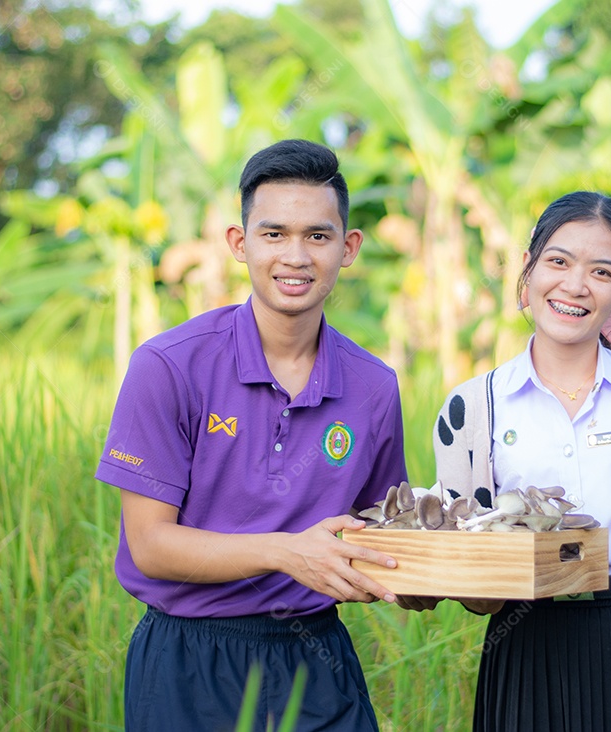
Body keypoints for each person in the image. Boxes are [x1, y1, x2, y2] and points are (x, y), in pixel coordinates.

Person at [95, 139, 406, 731]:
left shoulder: (373, 386)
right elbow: (151, 546)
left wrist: (471, 568)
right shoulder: (168, 366)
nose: (296, 256)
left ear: (349, 248)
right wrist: (287, 553)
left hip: (317, 660)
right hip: (189, 660)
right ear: (240, 245)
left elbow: (381, 531)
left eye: (318, 236)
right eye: (274, 234)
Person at [426, 191, 611, 730]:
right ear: (528, 268)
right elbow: (476, 591)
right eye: (558, 261)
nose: (574, 285)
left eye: (602, 271)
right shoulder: (470, 409)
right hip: (528, 649)